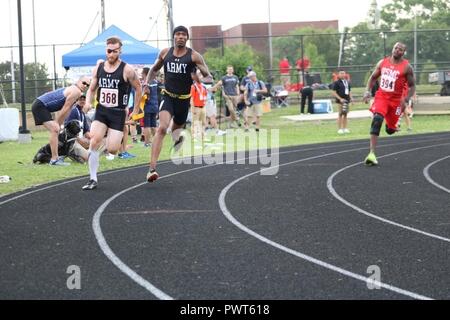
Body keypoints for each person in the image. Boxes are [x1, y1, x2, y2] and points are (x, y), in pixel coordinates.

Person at [144, 26, 212, 183]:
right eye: (178, 34)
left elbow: (208, 76)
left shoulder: (194, 56)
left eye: (183, 35)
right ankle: (152, 169)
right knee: (162, 128)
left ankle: (178, 139)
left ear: (187, 38)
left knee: (176, 132)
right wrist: (147, 83)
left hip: (183, 99)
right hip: (167, 97)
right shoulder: (165, 53)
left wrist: (199, 79)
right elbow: (154, 69)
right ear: (173, 37)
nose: (180, 37)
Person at [82, 36, 142, 190]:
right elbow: (91, 89)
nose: (111, 54)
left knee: (113, 149)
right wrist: (88, 102)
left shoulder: (127, 69)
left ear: (120, 51)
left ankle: (109, 140)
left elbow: (138, 87)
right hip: (102, 110)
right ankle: (92, 179)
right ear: (105, 50)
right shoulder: (99, 67)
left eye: (115, 51)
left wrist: (135, 110)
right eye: (109, 51)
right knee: (94, 141)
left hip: (118, 113)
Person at [363, 42, 416, 166]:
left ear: (403, 52)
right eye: (396, 48)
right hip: (382, 97)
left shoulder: (407, 67)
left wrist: (407, 99)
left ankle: (392, 125)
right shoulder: (382, 63)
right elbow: (372, 78)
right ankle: (371, 154)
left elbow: (412, 86)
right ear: (392, 49)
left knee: (390, 130)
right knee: (377, 119)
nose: (397, 50)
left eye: (400, 49)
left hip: (397, 101)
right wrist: (367, 91)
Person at [31, 76, 90, 165]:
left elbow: (68, 109)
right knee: (55, 129)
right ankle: (54, 159)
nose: (85, 86)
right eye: (84, 83)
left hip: (41, 106)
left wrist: (60, 124)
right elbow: (65, 108)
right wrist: (57, 122)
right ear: (78, 81)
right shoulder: (76, 91)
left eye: (87, 85)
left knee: (56, 129)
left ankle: (53, 156)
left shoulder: (76, 92)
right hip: (40, 105)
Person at [63, 95, 96, 163]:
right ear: (76, 101)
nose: (82, 101)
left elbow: (86, 131)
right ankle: (70, 152)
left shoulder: (82, 114)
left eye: (84, 99)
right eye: (80, 99)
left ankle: (77, 154)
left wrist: (94, 139)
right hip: (71, 141)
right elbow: (68, 129)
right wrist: (80, 140)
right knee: (89, 159)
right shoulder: (73, 111)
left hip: (78, 140)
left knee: (93, 143)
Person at [141, 67, 159, 147]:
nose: (141, 74)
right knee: (153, 125)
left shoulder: (147, 82)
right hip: (155, 105)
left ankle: (147, 143)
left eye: (142, 73)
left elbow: (146, 91)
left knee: (147, 125)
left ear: (145, 73)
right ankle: (156, 142)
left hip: (148, 106)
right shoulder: (155, 81)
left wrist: (141, 94)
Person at [190, 68, 208, 141]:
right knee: (195, 122)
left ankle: (203, 136)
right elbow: (191, 99)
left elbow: (205, 96)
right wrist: (193, 108)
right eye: (199, 75)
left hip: (203, 106)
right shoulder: (194, 86)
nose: (201, 77)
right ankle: (194, 136)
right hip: (196, 107)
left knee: (203, 122)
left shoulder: (203, 87)